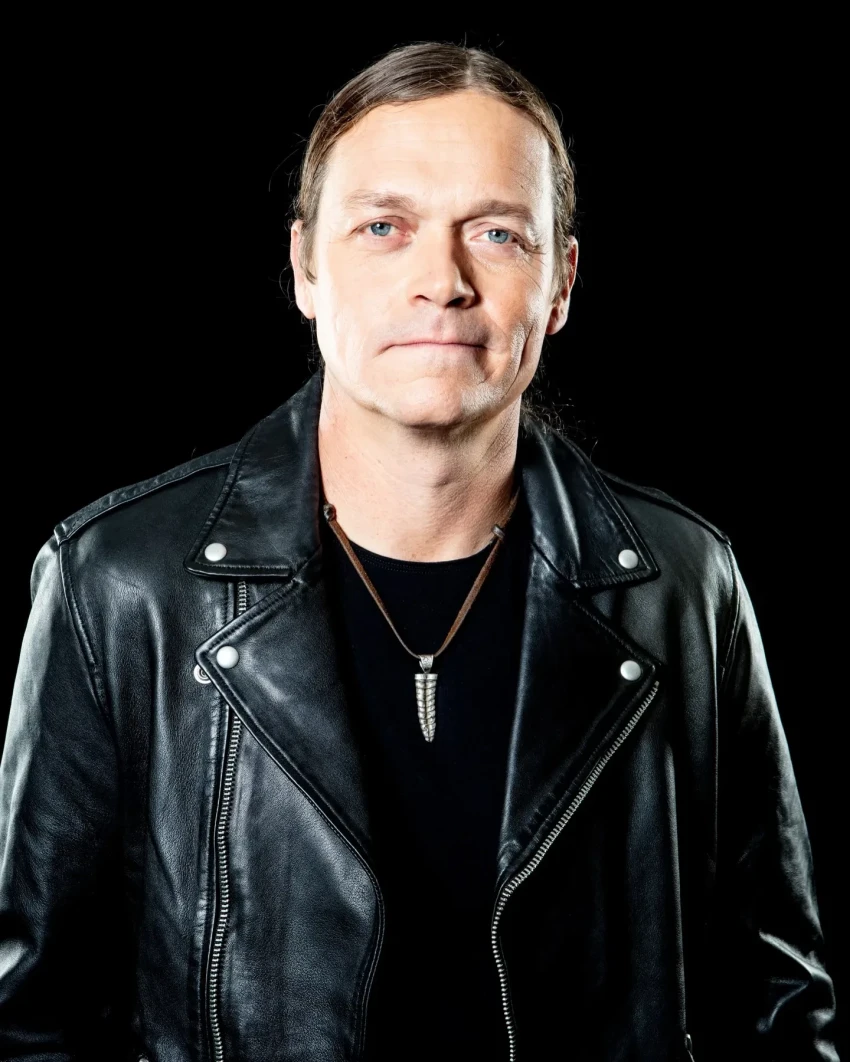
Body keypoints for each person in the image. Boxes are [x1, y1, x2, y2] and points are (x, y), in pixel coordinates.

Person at [0, 40, 838, 1062]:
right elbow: (34, 1022)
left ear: (561, 282)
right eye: (384, 228)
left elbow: (775, 1006)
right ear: (306, 268)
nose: (441, 282)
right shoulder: (119, 580)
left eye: (496, 232)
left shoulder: (681, 582)